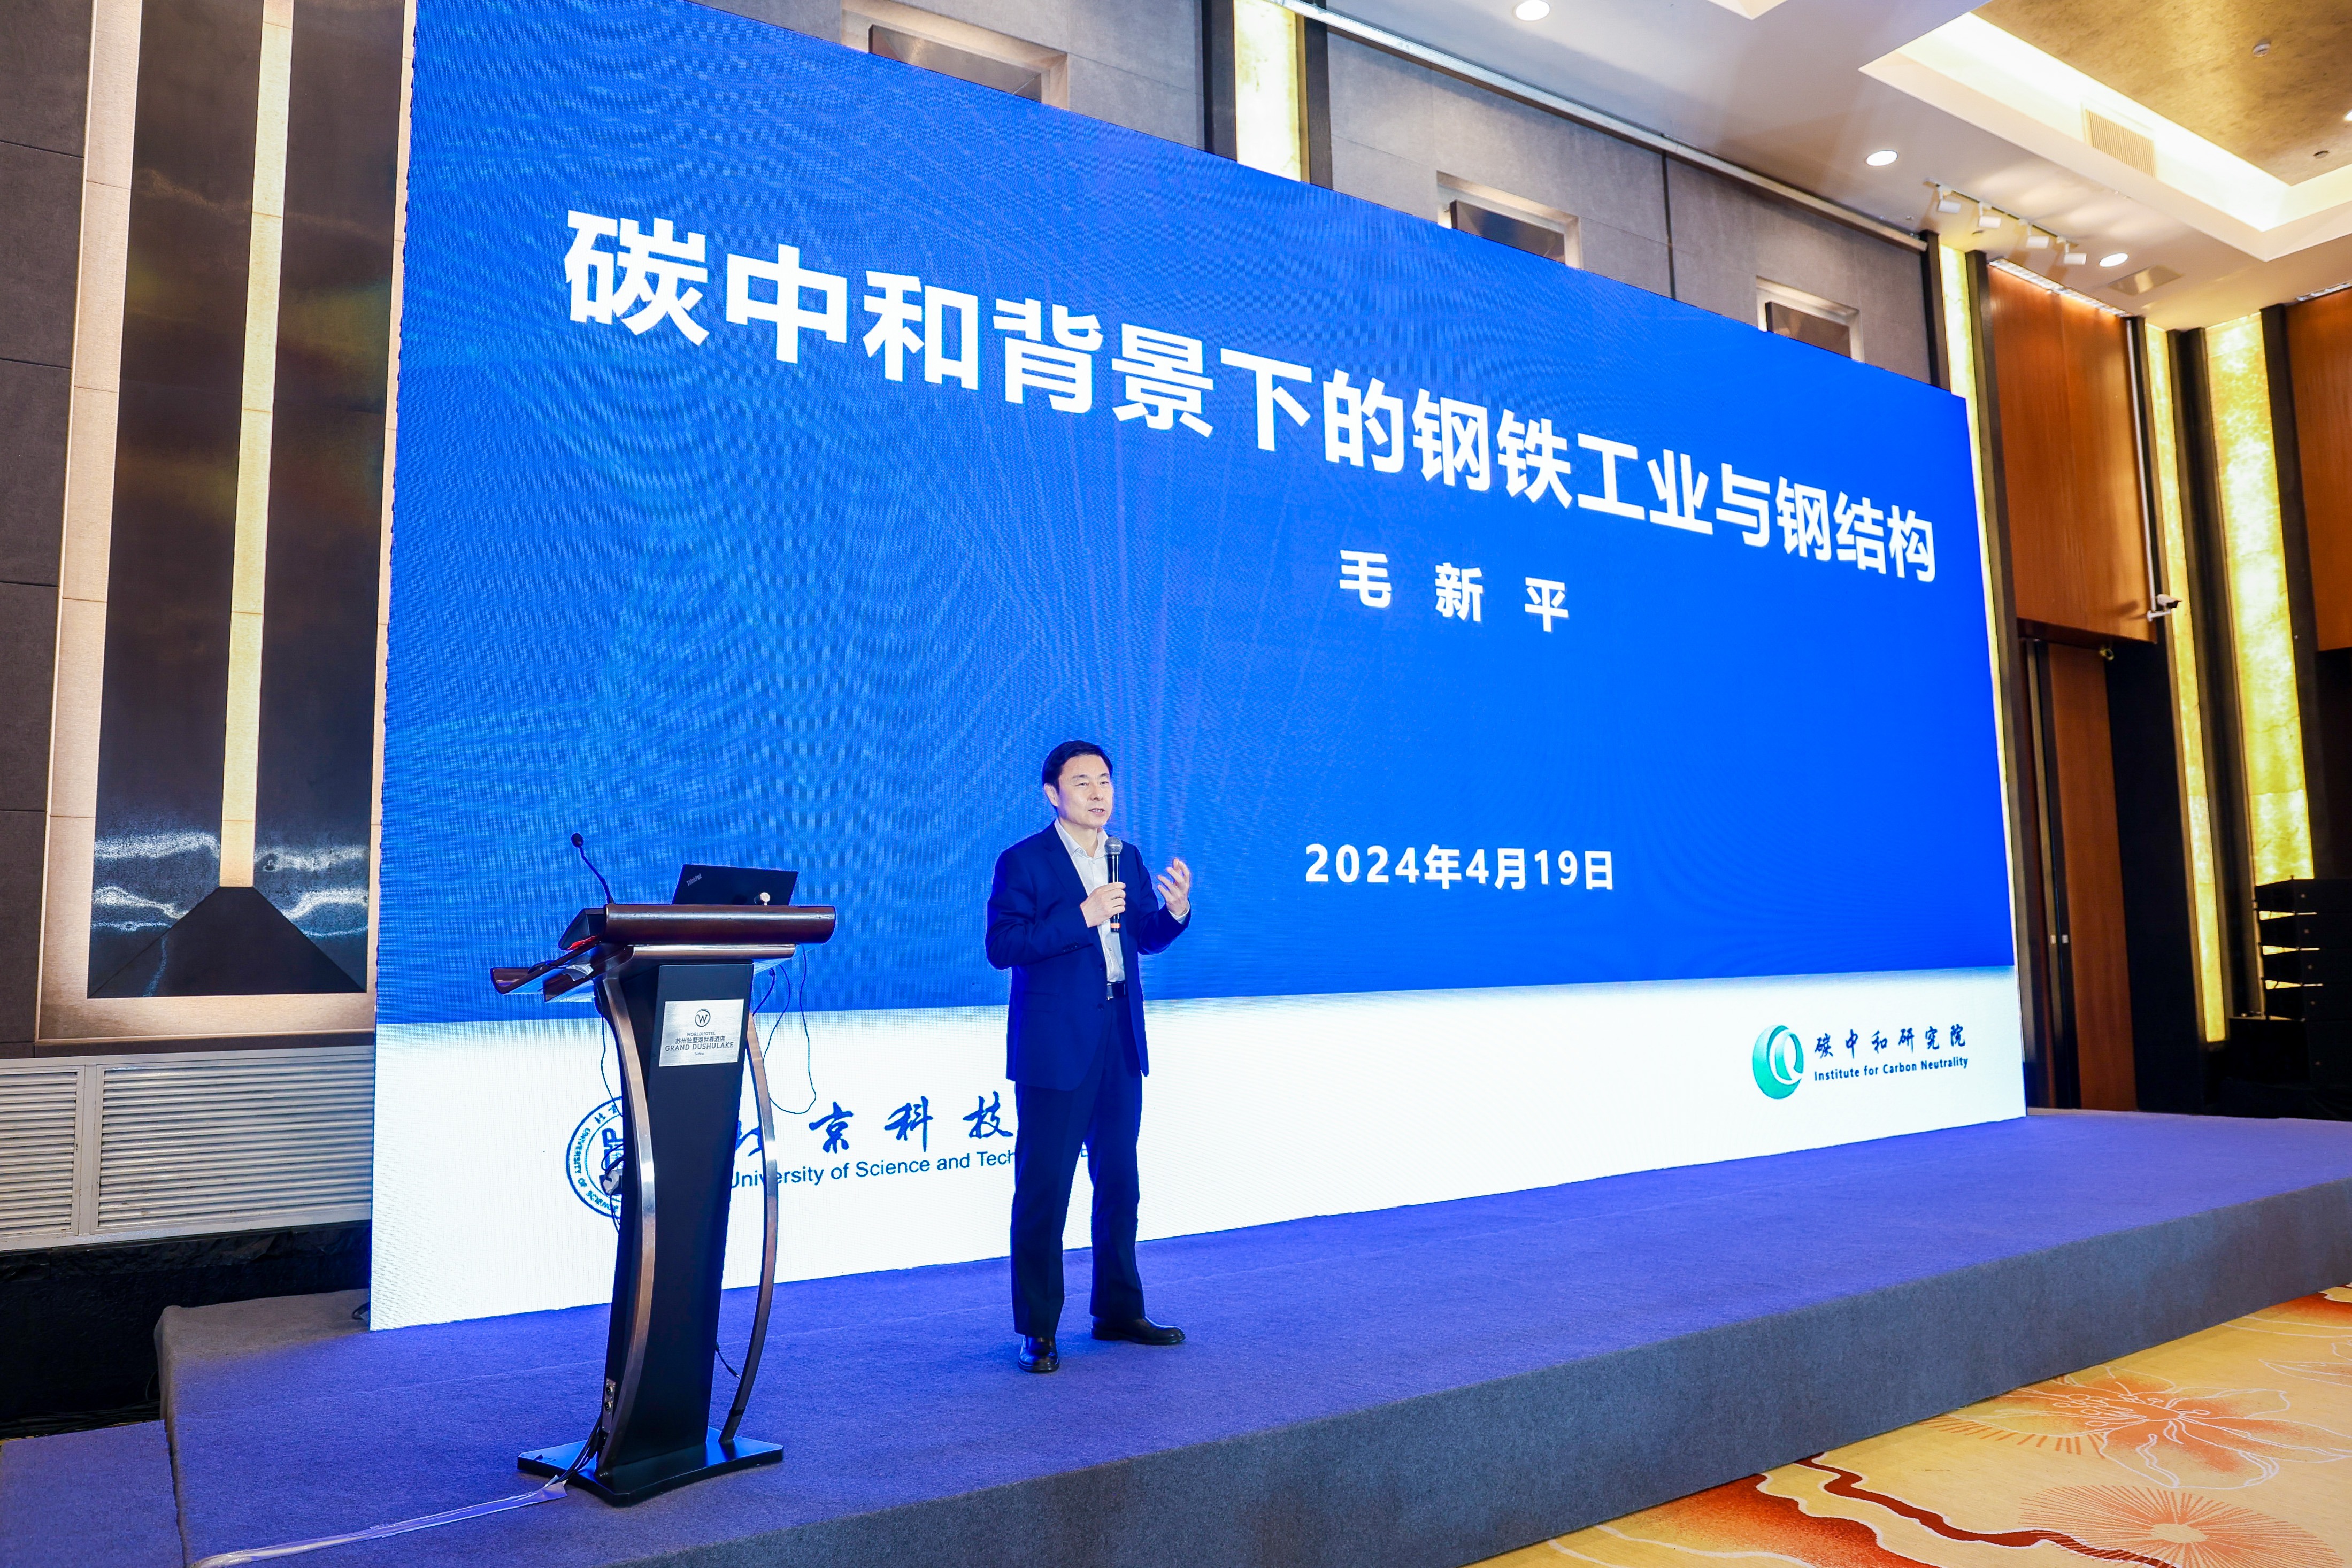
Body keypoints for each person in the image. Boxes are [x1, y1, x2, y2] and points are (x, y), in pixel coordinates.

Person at [985, 740, 1193, 1373]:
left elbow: (1143, 935)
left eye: (1105, 780)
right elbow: (1003, 946)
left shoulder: (1124, 856)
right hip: (1055, 1046)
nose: (1099, 792)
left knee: (1120, 1182)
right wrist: (1082, 913)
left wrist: (1176, 913)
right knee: (1045, 1189)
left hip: (1119, 1038)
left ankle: (1118, 1310)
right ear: (1053, 793)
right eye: (1083, 782)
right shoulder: (1023, 861)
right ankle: (1038, 1328)